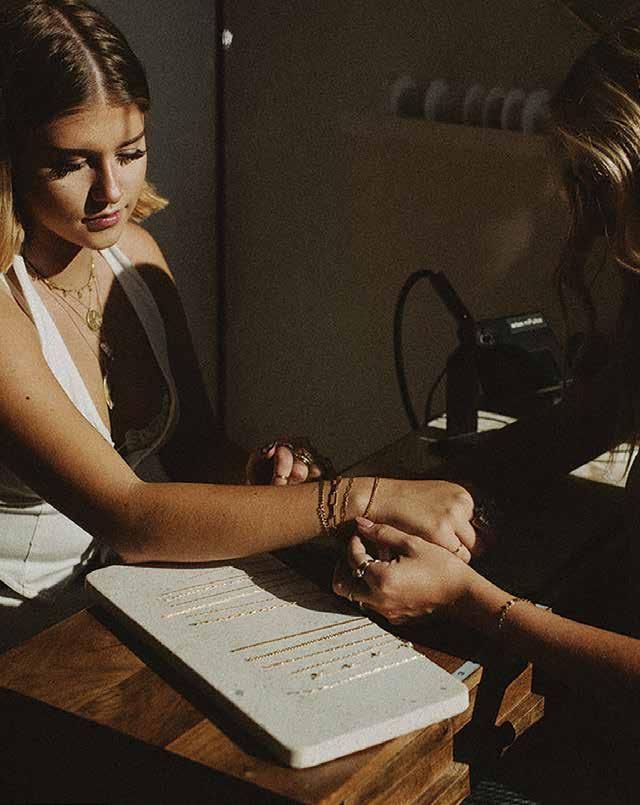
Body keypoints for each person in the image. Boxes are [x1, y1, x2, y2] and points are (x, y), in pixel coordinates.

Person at [333, 6, 640, 803]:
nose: (593, 226)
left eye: (603, 191)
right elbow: (551, 441)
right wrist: (379, 501)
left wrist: (471, 599)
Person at [0, 0, 483, 653]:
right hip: (24, 641)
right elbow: (130, 518)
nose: (111, 189)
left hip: (122, 599)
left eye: (131, 152)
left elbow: (195, 449)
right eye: (71, 163)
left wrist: (263, 473)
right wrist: (352, 498)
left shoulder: (135, 258)